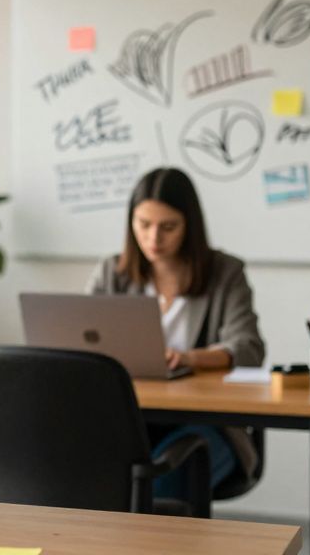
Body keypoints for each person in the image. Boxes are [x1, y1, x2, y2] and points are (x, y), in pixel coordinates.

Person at [87, 166, 265, 498]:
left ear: (189, 226)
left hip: (209, 423)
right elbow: (80, 340)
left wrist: (188, 358)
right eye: (144, 225)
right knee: (83, 476)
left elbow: (249, 347)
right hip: (128, 420)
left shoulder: (225, 273)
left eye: (168, 227)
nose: (154, 238)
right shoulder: (112, 272)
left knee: (158, 489)